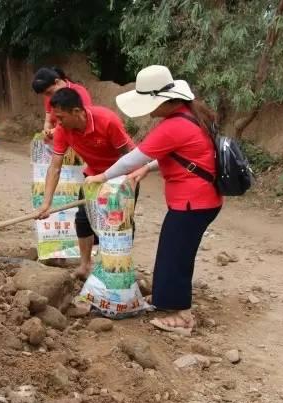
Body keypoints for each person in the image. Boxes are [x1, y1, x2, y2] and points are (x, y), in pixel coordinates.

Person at [85, 65, 222, 335]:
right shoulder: (191, 115)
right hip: (201, 200)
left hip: (193, 203)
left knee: (176, 255)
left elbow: (133, 157)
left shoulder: (173, 126)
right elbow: (182, 155)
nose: (148, 110)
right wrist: (147, 170)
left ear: (163, 101)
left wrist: (101, 176)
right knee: (173, 250)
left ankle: (182, 316)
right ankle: (165, 299)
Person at [36, 88, 135, 279]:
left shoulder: (107, 120)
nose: (58, 123)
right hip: (93, 177)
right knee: (83, 221)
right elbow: (54, 168)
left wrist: (130, 180)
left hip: (121, 177)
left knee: (118, 224)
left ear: (76, 112)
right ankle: (85, 265)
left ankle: (117, 270)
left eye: (61, 117)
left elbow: (129, 155)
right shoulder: (63, 131)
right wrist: (46, 203)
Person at [32, 67, 93, 143]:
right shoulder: (49, 96)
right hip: (57, 135)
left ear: (57, 82)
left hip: (75, 134)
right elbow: (48, 121)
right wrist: (46, 132)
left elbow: (85, 120)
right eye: (45, 95)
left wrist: (56, 131)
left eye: (49, 93)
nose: (48, 97)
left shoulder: (79, 92)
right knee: (37, 140)